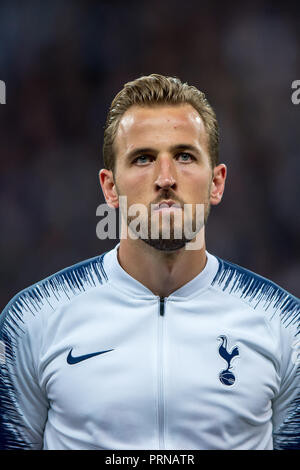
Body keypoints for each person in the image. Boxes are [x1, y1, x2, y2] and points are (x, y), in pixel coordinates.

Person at [0, 74, 299, 450]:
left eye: (184, 156)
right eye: (143, 158)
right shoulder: (32, 321)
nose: (165, 178)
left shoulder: (285, 326)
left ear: (217, 182)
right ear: (110, 187)